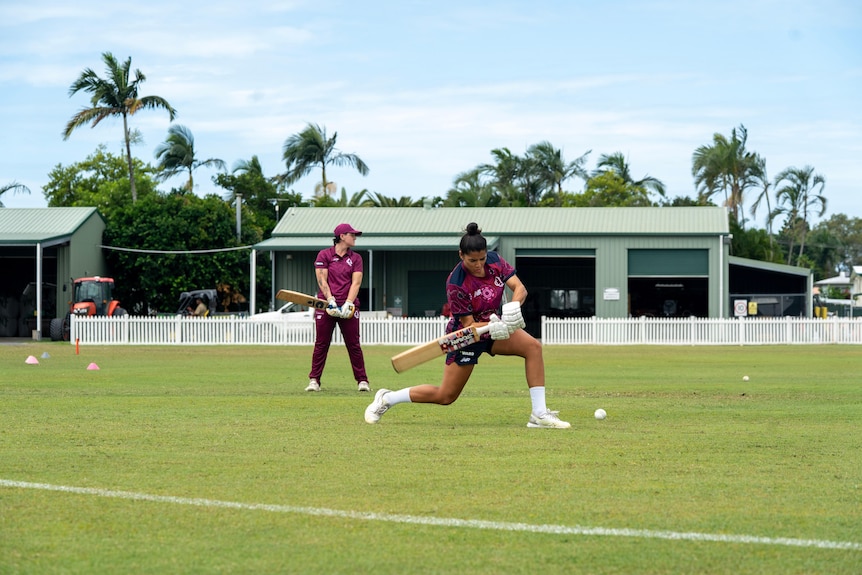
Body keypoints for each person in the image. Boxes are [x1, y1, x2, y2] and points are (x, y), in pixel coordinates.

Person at [365, 222, 570, 428]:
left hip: (495, 328)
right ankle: (387, 398)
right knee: (446, 396)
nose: (479, 265)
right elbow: (469, 324)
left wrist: (513, 307)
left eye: (482, 258)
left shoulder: (495, 261)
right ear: (461, 255)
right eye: (473, 260)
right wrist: (495, 325)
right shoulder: (456, 282)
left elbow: (519, 288)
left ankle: (539, 414)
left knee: (533, 347)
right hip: (466, 337)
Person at [306, 223, 371, 393]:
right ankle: (314, 380)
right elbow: (322, 280)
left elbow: (356, 282)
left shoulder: (356, 258)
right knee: (321, 343)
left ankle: (362, 381)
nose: (355, 237)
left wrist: (349, 303)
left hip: (348, 307)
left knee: (354, 344)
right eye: (352, 234)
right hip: (327, 305)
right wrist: (330, 300)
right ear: (342, 236)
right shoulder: (324, 255)